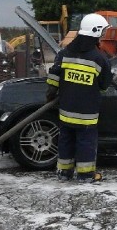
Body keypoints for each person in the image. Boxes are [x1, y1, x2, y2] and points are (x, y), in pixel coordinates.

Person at [46, 13, 113, 182]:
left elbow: (54, 77)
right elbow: (104, 85)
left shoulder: (64, 53)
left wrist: (50, 95)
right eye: (103, 31)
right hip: (87, 113)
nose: (104, 35)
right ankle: (85, 175)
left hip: (66, 110)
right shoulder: (100, 59)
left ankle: (64, 173)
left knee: (66, 141)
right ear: (96, 31)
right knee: (86, 143)